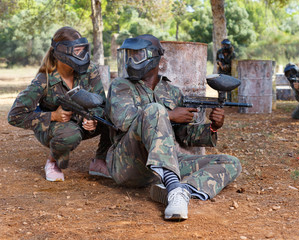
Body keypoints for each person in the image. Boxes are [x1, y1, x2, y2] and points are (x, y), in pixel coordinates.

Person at [106, 34, 241, 221]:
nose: (131, 60)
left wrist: (213, 127)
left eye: (136, 55)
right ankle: (174, 188)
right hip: (129, 164)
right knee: (154, 110)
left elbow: (184, 135)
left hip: (167, 163)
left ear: (154, 57)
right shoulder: (120, 86)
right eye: (129, 54)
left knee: (230, 162)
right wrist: (169, 114)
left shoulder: (172, 92)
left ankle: (181, 190)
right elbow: (123, 120)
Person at [8, 26, 112, 182]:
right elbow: (15, 116)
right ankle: (53, 161)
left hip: (82, 124)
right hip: (53, 128)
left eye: (83, 50)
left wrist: (93, 117)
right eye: (77, 51)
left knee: (114, 116)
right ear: (61, 53)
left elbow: (100, 102)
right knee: (69, 133)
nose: (82, 55)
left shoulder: (90, 70)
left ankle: (100, 161)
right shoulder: (43, 80)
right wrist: (53, 116)